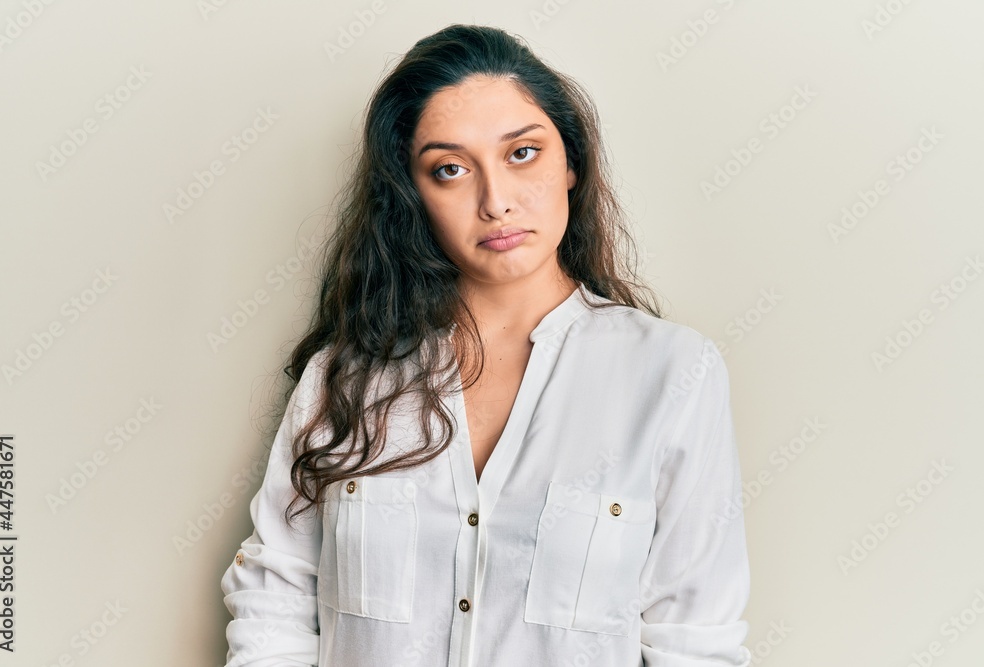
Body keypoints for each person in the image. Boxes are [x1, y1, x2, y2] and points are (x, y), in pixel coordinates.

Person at [220, 23, 751, 667]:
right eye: (450, 170)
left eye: (522, 154)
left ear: (571, 163)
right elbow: (272, 608)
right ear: (413, 197)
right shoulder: (346, 379)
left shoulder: (672, 374)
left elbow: (694, 642)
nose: (496, 201)